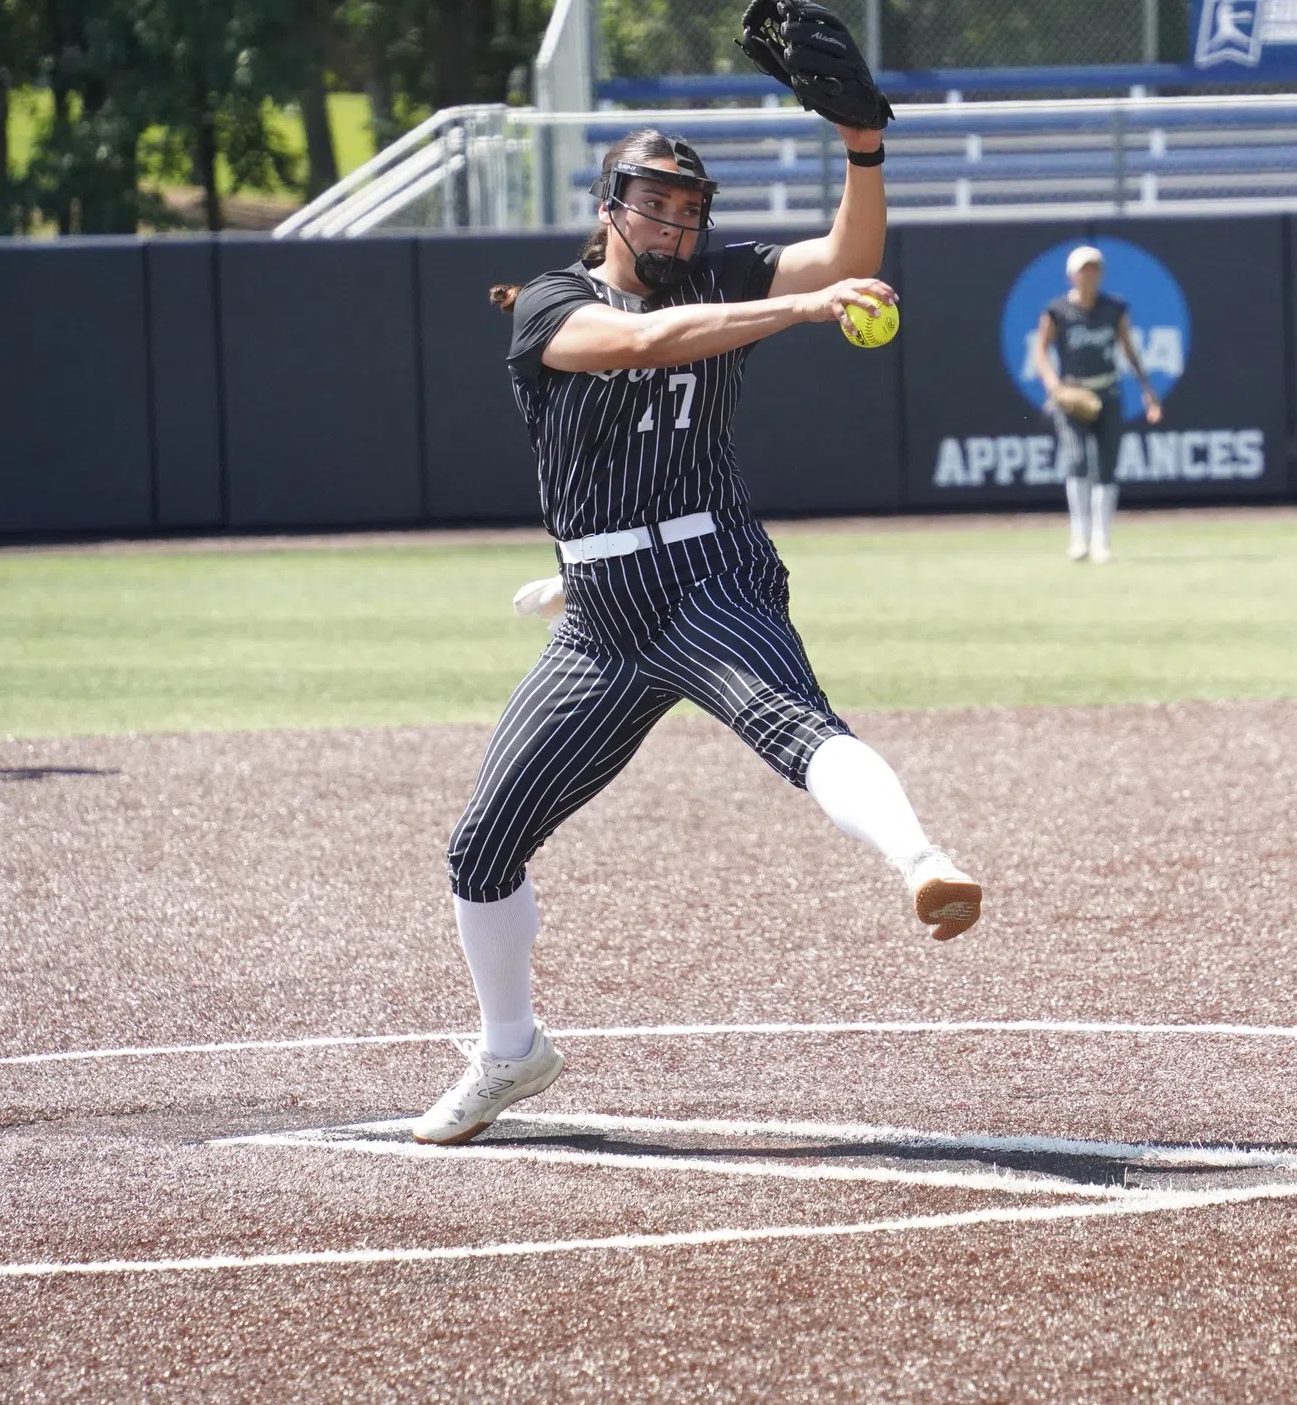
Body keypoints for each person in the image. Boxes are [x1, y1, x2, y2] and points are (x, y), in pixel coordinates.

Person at [412, 122, 980, 1146]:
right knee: (481, 845)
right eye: (653, 200)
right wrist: (797, 309)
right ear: (606, 203)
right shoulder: (552, 300)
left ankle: (921, 860)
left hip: (708, 570)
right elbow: (632, 343)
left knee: (792, 723)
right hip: (600, 614)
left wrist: (862, 150)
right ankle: (510, 1049)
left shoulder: (716, 278)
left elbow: (850, 258)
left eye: (687, 205)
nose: (673, 220)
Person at [1030, 245, 1162, 563]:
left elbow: (1128, 348)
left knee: (1107, 466)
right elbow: (1040, 351)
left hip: (1108, 391)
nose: (1089, 275)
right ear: (1071, 275)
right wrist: (1054, 385)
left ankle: (1102, 539)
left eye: (1094, 269)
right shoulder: (1058, 310)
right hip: (1073, 395)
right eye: (1083, 269)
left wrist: (1147, 387)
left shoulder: (1114, 308)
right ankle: (1079, 536)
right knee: (1076, 461)